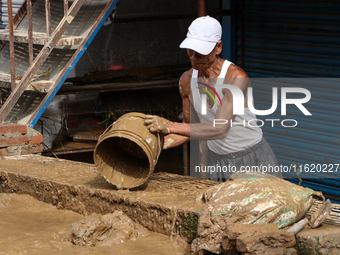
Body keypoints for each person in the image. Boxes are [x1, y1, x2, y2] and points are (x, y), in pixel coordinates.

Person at [144, 16, 282, 180]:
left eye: (201, 50)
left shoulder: (235, 77)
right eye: (190, 49)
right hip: (218, 162)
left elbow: (219, 129)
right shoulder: (187, 81)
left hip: (251, 157)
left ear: (218, 47)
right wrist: (152, 146)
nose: (194, 56)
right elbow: (189, 129)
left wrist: (168, 125)